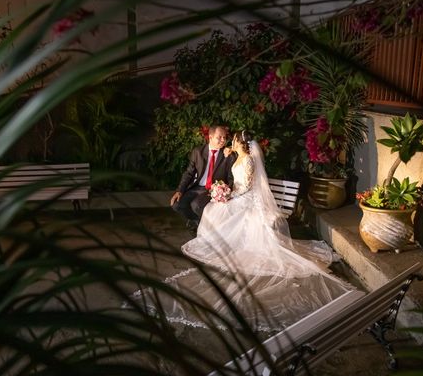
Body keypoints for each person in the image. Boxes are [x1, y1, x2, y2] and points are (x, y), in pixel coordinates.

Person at [129, 130, 353, 332]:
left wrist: (226, 194)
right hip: (237, 194)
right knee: (212, 211)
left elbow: (244, 186)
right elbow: (222, 173)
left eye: (233, 140)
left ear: (240, 143)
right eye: (227, 139)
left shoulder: (246, 161)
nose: (229, 141)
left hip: (245, 198)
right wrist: (223, 191)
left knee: (216, 211)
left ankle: (222, 242)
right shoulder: (237, 155)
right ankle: (217, 238)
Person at [170, 125, 235, 231]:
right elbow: (189, 173)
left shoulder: (228, 155)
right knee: (176, 205)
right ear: (210, 137)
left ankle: (207, 227)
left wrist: (226, 192)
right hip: (197, 187)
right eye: (219, 137)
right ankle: (197, 221)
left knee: (196, 205)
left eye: (224, 137)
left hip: (214, 190)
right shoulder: (198, 152)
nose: (223, 140)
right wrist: (179, 190)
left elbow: (231, 177)